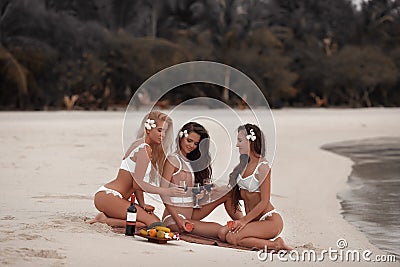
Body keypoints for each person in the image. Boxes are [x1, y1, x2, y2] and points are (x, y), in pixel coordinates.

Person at [87, 111, 185, 227]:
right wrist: (165, 191)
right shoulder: (144, 149)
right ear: (148, 129)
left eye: (164, 131)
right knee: (155, 225)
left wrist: (142, 204)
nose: (162, 135)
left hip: (112, 197)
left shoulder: (139, 144)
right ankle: (102, 221)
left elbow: (135, 181)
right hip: (109, 196)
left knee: (154, 221)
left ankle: (107, 217)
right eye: (159, 130)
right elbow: (138, 184)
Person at [217, 124, 292, 251]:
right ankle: (258, 239)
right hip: (253, 220)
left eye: (240, 141)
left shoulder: (262, 167)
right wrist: (218, 190)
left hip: (269, 220)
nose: (237, 145)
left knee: (232, 238)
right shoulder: (243, 164)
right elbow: (245, 194)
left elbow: (264, 201)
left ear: (251, 141)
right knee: (222, 233)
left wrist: (243, 221)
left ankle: (276, 244)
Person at [161, 122, 224, 238]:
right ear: (181, 137)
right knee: (220, 230)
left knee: (227, 192)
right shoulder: (173, 160)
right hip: (174, 219)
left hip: (191, 213)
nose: (192, 146)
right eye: (189, 141)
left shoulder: (190, 161)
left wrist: (202, 191)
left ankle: (243, 224)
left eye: (196, 143)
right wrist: (178, 220)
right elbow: (163, 192)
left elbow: (187, 191)